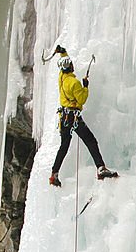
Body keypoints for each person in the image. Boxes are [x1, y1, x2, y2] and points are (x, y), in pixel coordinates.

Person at [49, 46, 117, 187]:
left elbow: (64, 60)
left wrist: (62, 51)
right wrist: (85, 86)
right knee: (91, 141)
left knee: (64, 146)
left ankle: (54, 174)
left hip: (64, 118)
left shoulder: (62, 77)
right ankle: (100, 168)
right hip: (74, 118)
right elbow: (82, 99)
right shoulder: (73, 83)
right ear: (70, 67)